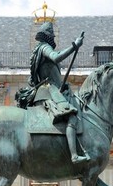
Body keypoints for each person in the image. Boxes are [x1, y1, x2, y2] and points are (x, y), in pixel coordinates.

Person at [30, 21, 89, 164]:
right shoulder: (44, 47)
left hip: (51, 89)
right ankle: (74, 156)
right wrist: (74, 46)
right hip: (50, 90)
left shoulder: (38, 50)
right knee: (72, 117)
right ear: (49, 36)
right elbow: (56, 57)